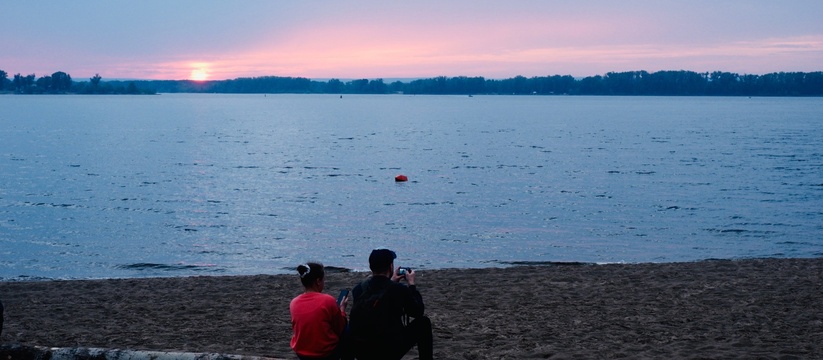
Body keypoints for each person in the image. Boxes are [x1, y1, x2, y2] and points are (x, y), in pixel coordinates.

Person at [349, 249, 433, 360]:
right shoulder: (398, 289)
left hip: (362, 349)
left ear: (371, 267)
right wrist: (411, 285)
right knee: (424, 323)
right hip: (389, 350)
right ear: (390, 267)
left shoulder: (359, 288)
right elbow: (417, 312)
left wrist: (392, 282)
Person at [290, 262, 349, 360]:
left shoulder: (294, 302)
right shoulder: (327, 300)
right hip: (325, 354)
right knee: (347, 330)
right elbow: (340, 327)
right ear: (318, 281)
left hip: (302, 353)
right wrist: (342, 310)